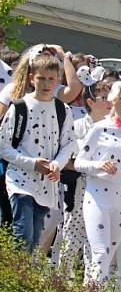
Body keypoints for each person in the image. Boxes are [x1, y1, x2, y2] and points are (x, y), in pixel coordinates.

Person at [74, 79, 121, 281]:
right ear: (114, 100)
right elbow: (79, 163)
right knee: (99, 251)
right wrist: (99, 166)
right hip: (97, 196)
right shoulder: (99, 128)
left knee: (108, 255)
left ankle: (91, 285)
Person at [0, 53, 75, 251]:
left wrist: (56, 164)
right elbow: (3, 146)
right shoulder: (20, 107)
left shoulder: (63, 110)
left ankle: (20, 278)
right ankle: (14, 276)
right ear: (32, 78)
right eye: (41, 78)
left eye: (51, 79)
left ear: (58, 80)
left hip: (46, 185)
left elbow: (69, 143)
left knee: (34, 239)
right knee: (22, 233)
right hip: (20, 179)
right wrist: (32, 163)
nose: (46, 83)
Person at [58, 76, 113, 274]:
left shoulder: (113, 128)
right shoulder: (79, 125)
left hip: (103, 189)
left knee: (96, 237)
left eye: (110, 97)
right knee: (72, 232)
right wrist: (88, 164)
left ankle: (91, 282)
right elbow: (67, 157)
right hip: (78, 187)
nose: (109, 102)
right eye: (104, 98)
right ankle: (62, 278)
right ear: (90, 101)